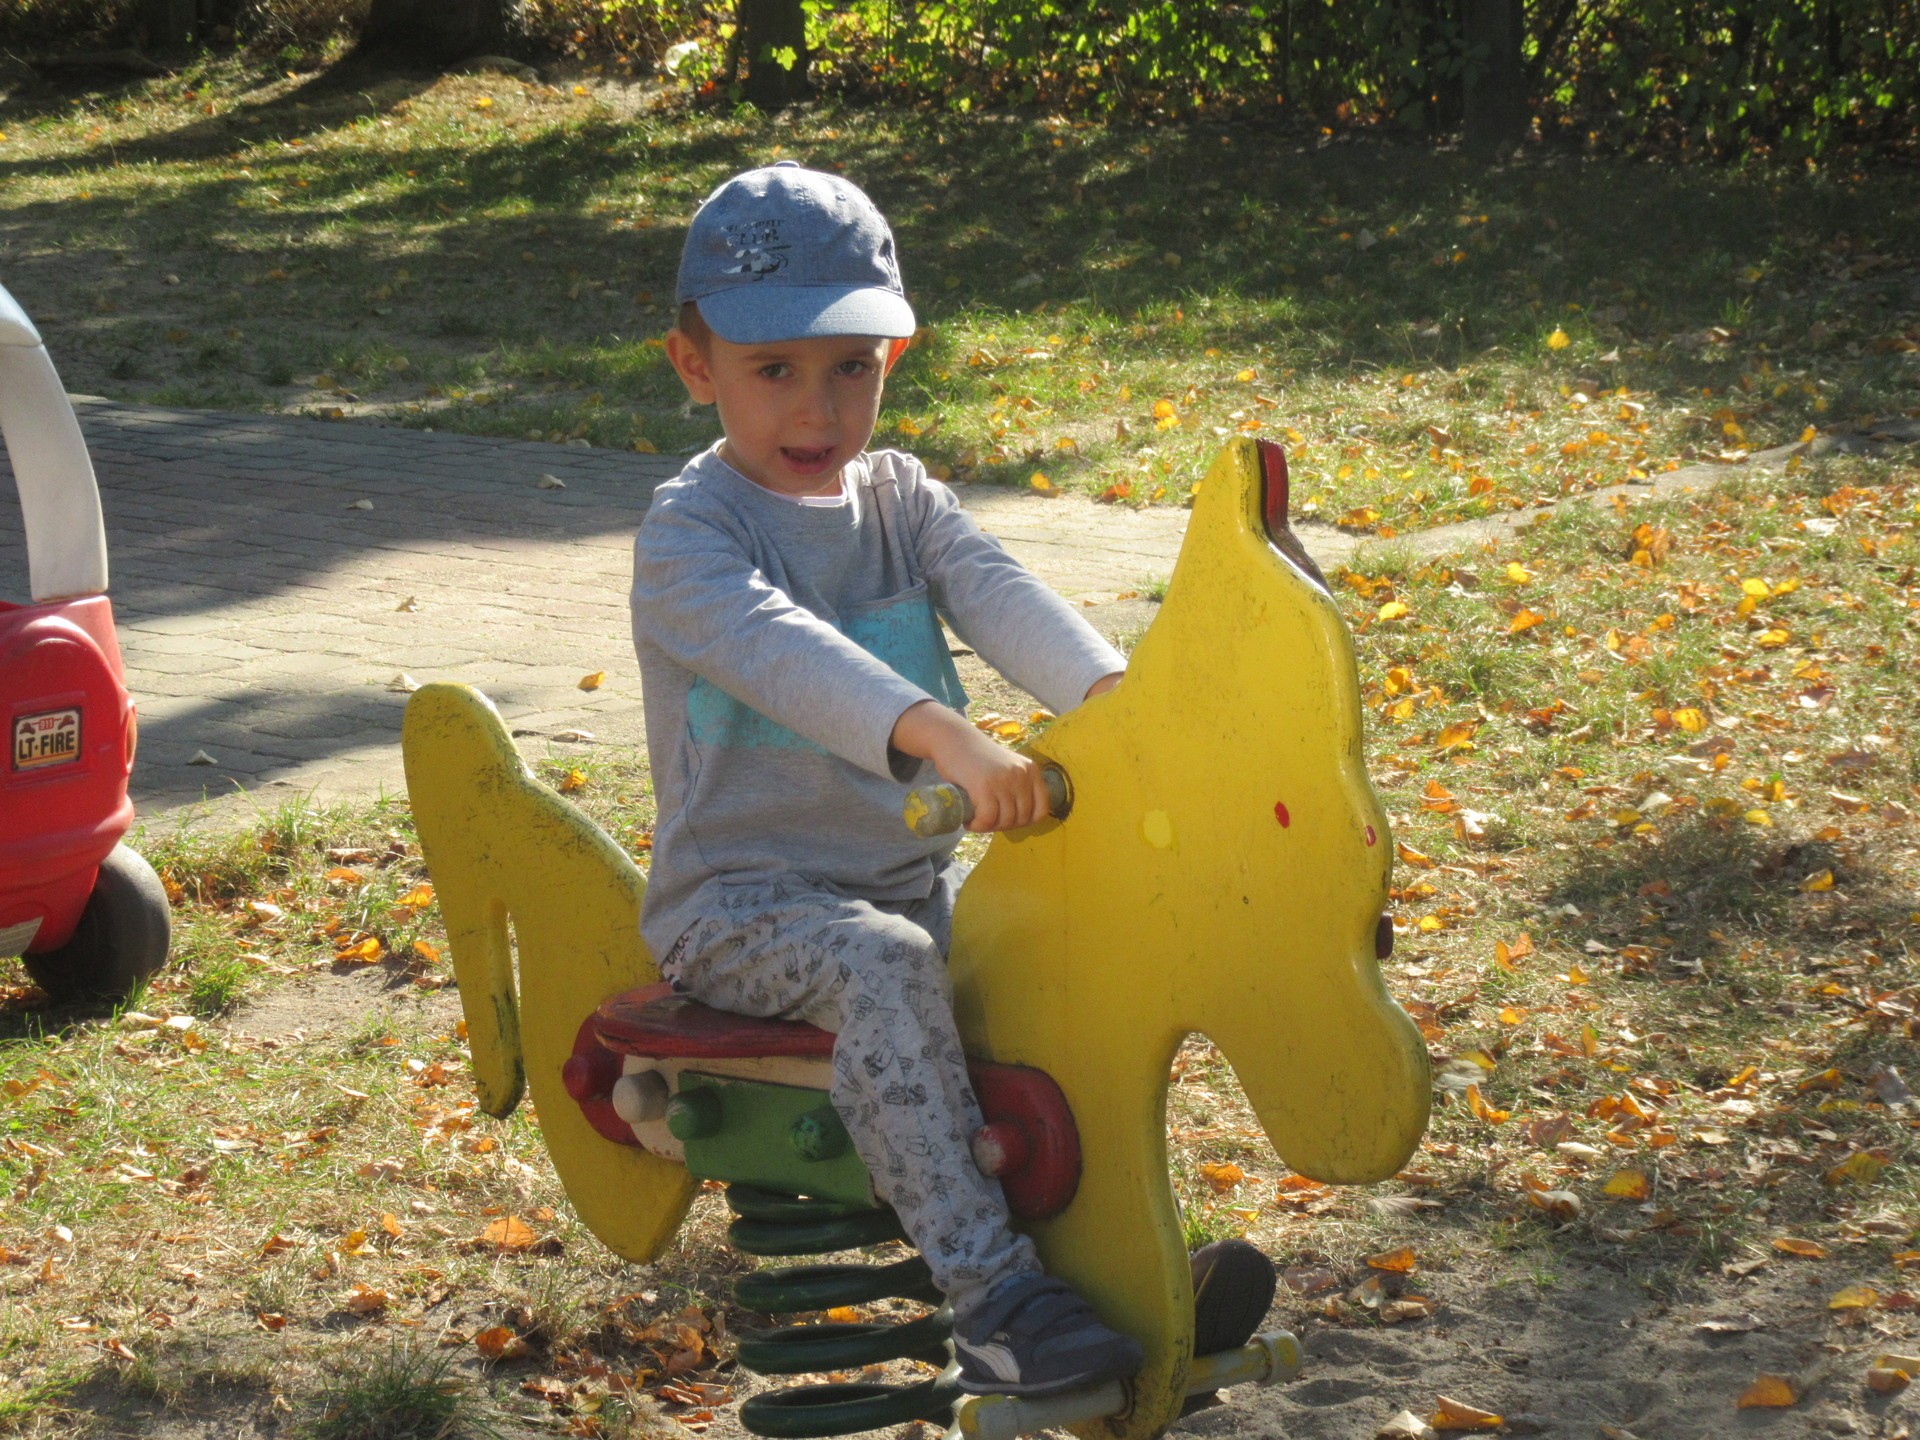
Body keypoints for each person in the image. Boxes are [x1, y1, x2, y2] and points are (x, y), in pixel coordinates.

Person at [629, 160, 1139, 1398]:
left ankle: (1117, 1259)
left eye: (850, 368)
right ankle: (995, 1301)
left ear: (891, 362)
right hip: (740, 906)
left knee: (1061, 958)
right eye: (774, 370)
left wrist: (1118, 706)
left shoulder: (903, 500)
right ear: (694, 367)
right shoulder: (692, 536)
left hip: (904, 883)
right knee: (887, 967)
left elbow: (999, 591)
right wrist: (943, 735)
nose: (818, 408)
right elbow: (786, 656)